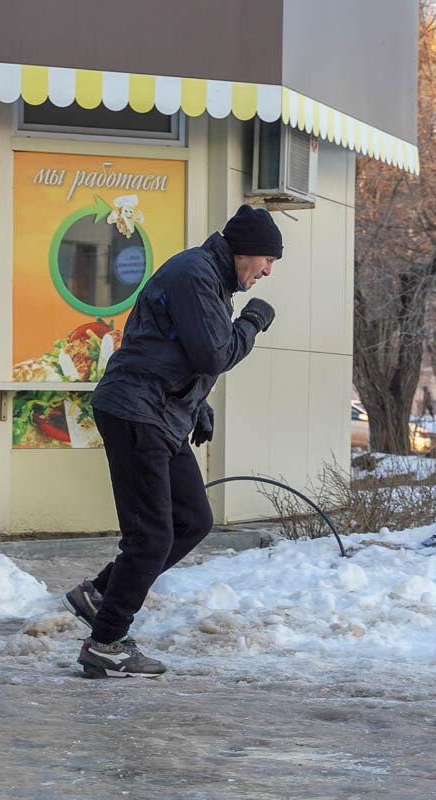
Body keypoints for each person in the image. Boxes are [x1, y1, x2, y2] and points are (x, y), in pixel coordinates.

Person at [63, 204, 281, 678]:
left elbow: (170, 347)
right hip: (137, 411)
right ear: (246, 252)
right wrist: (251, 323)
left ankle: (100, 594)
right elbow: (213, 353)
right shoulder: (195, 274)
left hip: (162, 412)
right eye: (267, 260)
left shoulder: (211, 279)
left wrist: (197, 403)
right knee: (152, 536)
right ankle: (106, 642)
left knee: (192, 520)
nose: (267, 271)